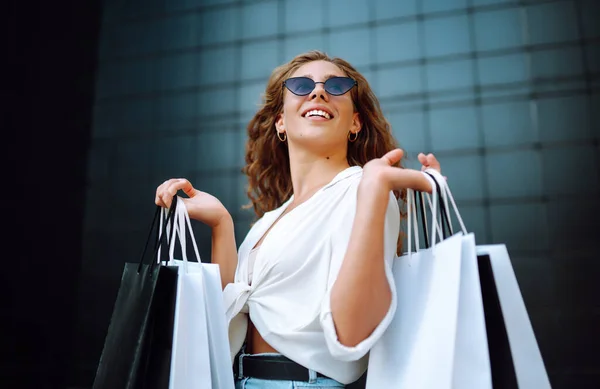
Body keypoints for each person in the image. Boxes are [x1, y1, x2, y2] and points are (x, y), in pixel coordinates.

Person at [155, 50, 442, 389]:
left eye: (336, 86)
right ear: (280, 121)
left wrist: (374, 192)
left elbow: (351, 336)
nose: (318, 91)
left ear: (355, 122)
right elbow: (225, 323)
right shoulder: (270, 220)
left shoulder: (362, 190)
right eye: (302, 84)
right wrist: (222, 225)